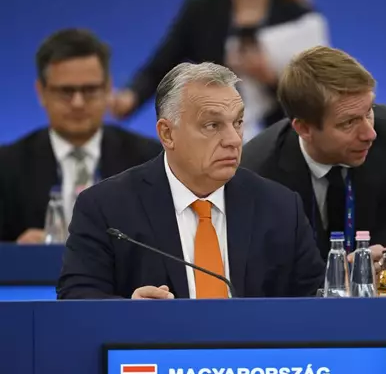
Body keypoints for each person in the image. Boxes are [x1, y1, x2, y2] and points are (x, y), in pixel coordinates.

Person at [57, 62, 325, 300]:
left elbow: (314, 300)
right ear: (167, 134)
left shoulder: (280, 207)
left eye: (238, 122)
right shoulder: (107, 207)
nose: (234, 140)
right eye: (213, 125)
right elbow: (76, 295)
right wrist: (129, 311)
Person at [240, 46, 386, 287]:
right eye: (348, 123)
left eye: (369, 112)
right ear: (304, 129)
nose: (370, 133)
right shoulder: (258, 171)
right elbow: (254, 274)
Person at [110, 0, 329, 142]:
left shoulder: (300, 19)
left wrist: (270, 79)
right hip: (213, 138)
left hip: (278, 141)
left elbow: (316, 98)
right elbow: (159, 67)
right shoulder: (201, 12)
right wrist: (129, 98)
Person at [0, 28, 161, 244]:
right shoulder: (7, 167)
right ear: (41, 92)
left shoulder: (149, 160)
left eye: (89, 90)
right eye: (66, 92)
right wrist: (15, 253)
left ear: (107, 89)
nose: (78, 103)